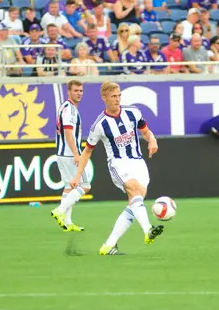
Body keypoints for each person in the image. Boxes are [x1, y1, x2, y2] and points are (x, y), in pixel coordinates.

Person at [68, 82, 164, 255]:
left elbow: (146, 131)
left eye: (119, 95)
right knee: (134, 192)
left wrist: (152, 140)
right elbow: (87, 151)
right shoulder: (100, 124)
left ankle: (109, 245)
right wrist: (77, 176)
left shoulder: (133, 112)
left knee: (135, 202)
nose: (117, 99)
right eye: (113, 96)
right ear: (104, 98)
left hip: (138, 162)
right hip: (118, 164)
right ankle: (148, 230)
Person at [51, 80, 92, 232]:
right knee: (85, 186)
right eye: (75, 91)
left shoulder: (64, 107)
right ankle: (60, 210)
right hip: (69, 154)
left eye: (81, 91)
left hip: (62, 154)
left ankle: (67, 222)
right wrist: (76, 154)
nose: (79, 93)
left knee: (70, 186)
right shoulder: (70, 109)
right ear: (68, 92)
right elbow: (68, 132)